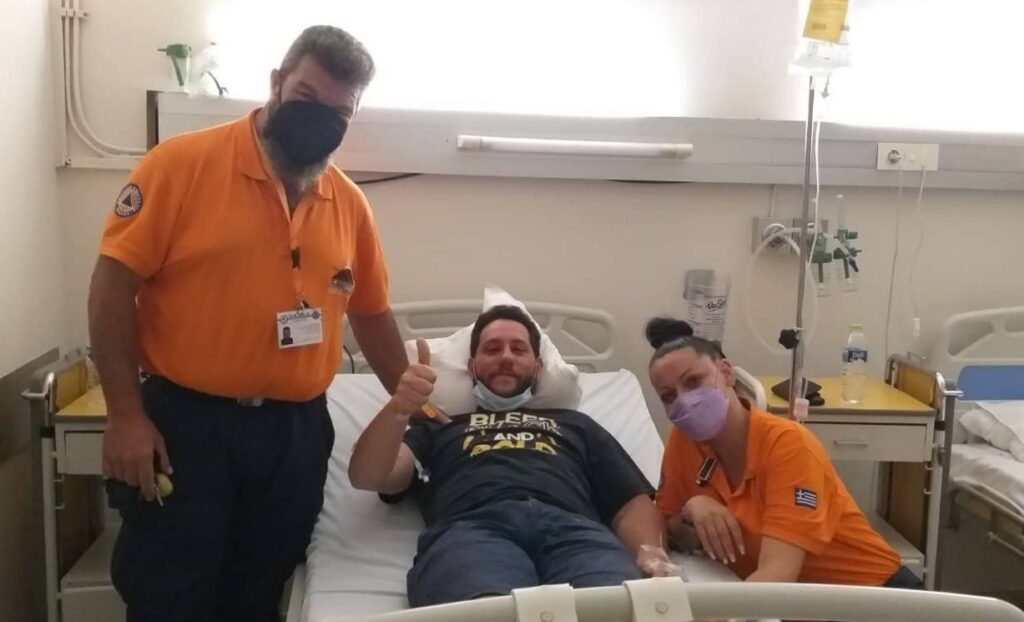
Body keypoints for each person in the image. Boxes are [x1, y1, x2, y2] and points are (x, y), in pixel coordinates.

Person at [88, 26, 411, 622]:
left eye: (340, 111)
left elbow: (371, 314)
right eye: (307, 97)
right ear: (277, 82)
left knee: (259, 596)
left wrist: (422, 409)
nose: (320, 118)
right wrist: (126, 416)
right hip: (187, 428)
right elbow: (111, 288)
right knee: (168, 595)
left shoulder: (347, 203)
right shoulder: (181, 165)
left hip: (294, 437)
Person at [349, 305, 673, 607]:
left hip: (574, 532)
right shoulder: (440, 428)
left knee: (610, 609)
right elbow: (369, 476)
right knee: (487, 610)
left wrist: (651, 553)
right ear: (471, 366)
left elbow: (631, 502)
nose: (505, 357)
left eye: (518, 349)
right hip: (472, 532)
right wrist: (399, 408)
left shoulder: (576, 424)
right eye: (492, 349)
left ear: (538, 366)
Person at [645, 318, 922, 589]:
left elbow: (777, 575)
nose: (684, 401)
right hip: (798, 606)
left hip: (876, 597)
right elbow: (666, 524)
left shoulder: (788, 446)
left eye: (693, 381)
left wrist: (711, 612)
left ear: (727, 372)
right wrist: (693, 508)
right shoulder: (684, 441)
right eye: (668, 396)